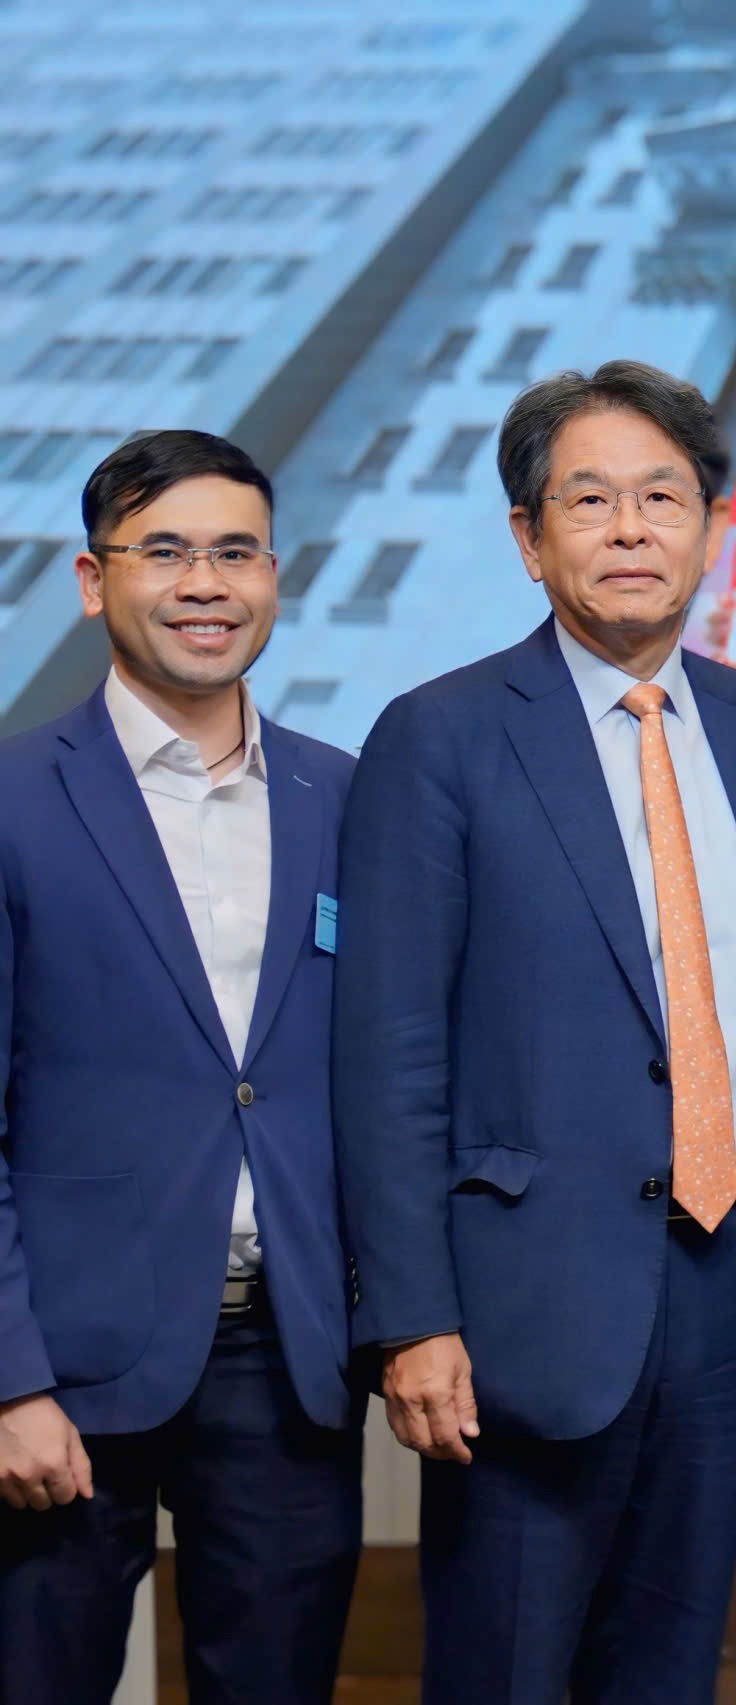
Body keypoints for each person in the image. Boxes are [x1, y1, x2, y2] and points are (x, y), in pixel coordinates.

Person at [332, 361, 736, 1704]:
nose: (631, 529)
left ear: (711, 527)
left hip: (730, 1278)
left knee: (669, 1666)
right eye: (590, 500)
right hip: (523, 1303)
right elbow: (389, 1057)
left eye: (662, 498)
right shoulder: (441, 736)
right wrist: (410, 1316)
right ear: (529, 538)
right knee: (504, 1669)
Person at [0, 431, 363, 1703]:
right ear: (93, 580)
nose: (204, 582)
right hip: (64, 1366)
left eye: (234, 552)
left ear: (274, 577)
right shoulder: (13, 799)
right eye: (164, 551)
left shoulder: (345, 796)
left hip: (287, 1358)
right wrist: (8, 1381)